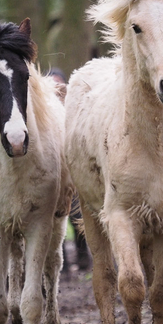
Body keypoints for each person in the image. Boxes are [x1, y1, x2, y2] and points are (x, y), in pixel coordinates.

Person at [48, 68, 92, 274]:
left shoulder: (72, 109)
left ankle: (83, 258)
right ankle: (61, 261)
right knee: (54, 219)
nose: (56, 88)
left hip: (74, 173)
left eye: (59, 84)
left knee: (77, 215)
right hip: (52, 174)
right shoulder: (45, 113)